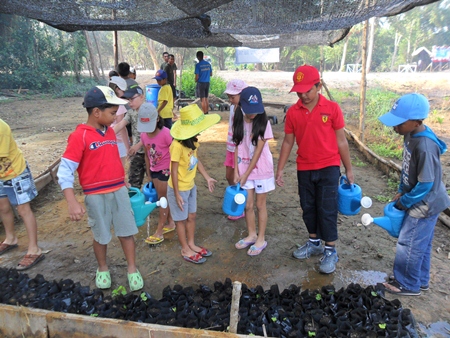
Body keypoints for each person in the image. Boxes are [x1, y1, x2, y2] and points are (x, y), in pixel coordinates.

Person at [57, 86, 143, 291]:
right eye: (112, 113)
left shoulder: (109, 132)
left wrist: (122, 180)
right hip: (95, 196)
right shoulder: (80, 136)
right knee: (101, 235)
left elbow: (111, 160)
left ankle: (132, 268)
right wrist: (71, 201)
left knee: (127, 232)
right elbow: (65, 171)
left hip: (118, 191)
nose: (115, 117)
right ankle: (102, 267)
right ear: (97, 112)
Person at [275, 65, 354, 274]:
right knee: (308, 206)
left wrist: (349, 169)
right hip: (305, 167)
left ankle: (330, 250)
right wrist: (280, 168)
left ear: (318, 86)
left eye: (308, 90)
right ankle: (314, 242)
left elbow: (342, 142)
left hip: (329, 167)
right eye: (299, 91)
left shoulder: (332, 108)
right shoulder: (293, 112)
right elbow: (287, 143)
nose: (303, 95)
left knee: (327, 208)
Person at [378, 93, 450, 296]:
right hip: (422, 198)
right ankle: (420, 280)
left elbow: (426, 183)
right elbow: (409, 169)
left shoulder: (425, 146)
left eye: (399, 123)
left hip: (424, 204)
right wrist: (402, 191)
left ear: (417, 121)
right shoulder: (411, 135)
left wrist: (406, 202)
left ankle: (407, 284)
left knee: (408, 243)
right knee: (422, 244)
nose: (395, 127)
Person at [168, 104, 220, 264]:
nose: (201, 131)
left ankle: (191, 243)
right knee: (180, 219)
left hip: (191, 186)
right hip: (179, 188)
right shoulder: (176, 146)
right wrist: (176, 194)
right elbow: (174, 171)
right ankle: (185, 248)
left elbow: (196, 161)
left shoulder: (193, 142)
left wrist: (207, 177)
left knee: (192, 216)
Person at [232, 87, 275, 256]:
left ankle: (261, 239)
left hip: (261, 169)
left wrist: (245, 174)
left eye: (255, 111)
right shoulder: (237, 120)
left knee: (259, 204)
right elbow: (236, 145)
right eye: (249, 111)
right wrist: (236, 170)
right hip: (243, 169)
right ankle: (251, 234)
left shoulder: (264, 123)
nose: (252, 115)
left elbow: (257, 153)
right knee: (247, 205)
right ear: (241, 105)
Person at [0, 119, 44, 271]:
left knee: (23, 209)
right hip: (1, 173)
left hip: (15, 173)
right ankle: (10, 238)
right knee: (3, 206)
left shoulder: (2, 128)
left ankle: (34, 249)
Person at [130, 106, 176, 245]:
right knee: (164, 198)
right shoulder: (144, 136)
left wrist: (173, 171)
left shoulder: (166, 133)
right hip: (154, 170)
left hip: (165, 171)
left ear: (157, 120)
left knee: (163, 200)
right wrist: (149, 173)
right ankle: (171, 222)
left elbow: (175, 153)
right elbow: (146, 155)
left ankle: (159, 231)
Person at [114, 85, 157, 189]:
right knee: (134, 181)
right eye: (128, 100)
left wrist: (138, 145)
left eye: (132, 99)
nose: (130, 102)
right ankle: (136, 202)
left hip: (152, 151)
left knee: (154, 180)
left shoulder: (149, 111)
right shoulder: (130, 112)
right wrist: (104, 135)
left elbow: (152, 132)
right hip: (136, 153)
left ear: (142, 97)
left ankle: (156, 201)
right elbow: (120, 125)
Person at [224, 79, 248, 221]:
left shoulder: (247, 109)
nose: (230, 100)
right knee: (229, 176)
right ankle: (237, 196)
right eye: (229, 97)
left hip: (242, 149)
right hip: (231, 146)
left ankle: (241, 206)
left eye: (233, 97)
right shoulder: (233, 107)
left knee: (240, 177)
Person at [108, 76, 130, 169]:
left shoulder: (106, 101)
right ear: (117, 89)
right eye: (123, 91)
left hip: (108, 139)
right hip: (119, 140)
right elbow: (122, 127)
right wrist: (127, 146)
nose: (124, 93)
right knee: (120, 166)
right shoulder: (119, 105)